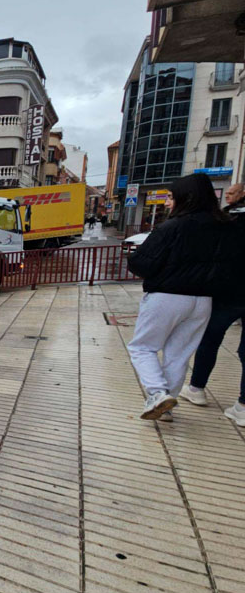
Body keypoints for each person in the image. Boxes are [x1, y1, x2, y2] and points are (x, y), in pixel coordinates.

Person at [126, 173, 234, 421]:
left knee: (142, 347)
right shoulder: (226, 227)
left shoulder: (173, 227)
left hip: (167, 296)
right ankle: (165, 408)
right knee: (179, 355)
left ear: (186, 198)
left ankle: (157, 394)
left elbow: (142, 263)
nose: (167, 203)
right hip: (203, 301)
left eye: (171, 197)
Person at [180, 183, 245, 426]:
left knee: (209, 339)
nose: (227, 196)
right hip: (230, 289)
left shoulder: (228, 219)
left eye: (231, 193)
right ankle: (243, 406)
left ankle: (197, 388)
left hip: (228, 291)